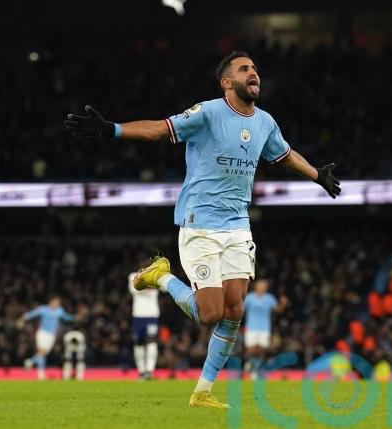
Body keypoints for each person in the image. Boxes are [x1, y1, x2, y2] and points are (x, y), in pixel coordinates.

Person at [65, 51, 341, 408]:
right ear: (227, 82)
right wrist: (111, 129)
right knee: (209, 314)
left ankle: (202, 392)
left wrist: (318, 175)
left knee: (234, 310)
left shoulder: (265, 122)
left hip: (238, 225)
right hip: (201, 222)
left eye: (255, 69)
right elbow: (160, 129)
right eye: (244, 69)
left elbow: (285, 154)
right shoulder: (208, 113)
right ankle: (160, 276)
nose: (253, 73)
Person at [18, 295, 76, 380]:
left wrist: (74, 317)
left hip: (51, 335)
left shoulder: (59, 310)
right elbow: (32, 314)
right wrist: (22, 319)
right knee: (41, 352)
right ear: (51, 301)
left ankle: (31, 362)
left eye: (58, 303)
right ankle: (40, 373)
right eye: (56, 302)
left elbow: (66, 317)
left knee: (43, 354)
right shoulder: (43, 309)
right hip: (42, 333)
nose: (57, 304)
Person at [243, 279, 288, 379]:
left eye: (264, 286)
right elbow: (242, 308)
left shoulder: (269, 298)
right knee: (251, 350)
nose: (263, 287)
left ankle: (254, 370)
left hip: (264, 328)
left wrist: (283, 304)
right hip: (251, 328)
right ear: (256, 286)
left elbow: (278, 310)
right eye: (261, 285)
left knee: (261, 350)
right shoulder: (249, 297)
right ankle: (250, 364)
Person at [128, 271, 161, 380]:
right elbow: (133, 289)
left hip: (152, 314)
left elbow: (164, 288)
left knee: (151, 341)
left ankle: (149, 371)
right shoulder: (133, 275)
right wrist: (150, 285)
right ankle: (141, 371)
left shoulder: (156, 274)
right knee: (138, 343)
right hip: (138, 314)